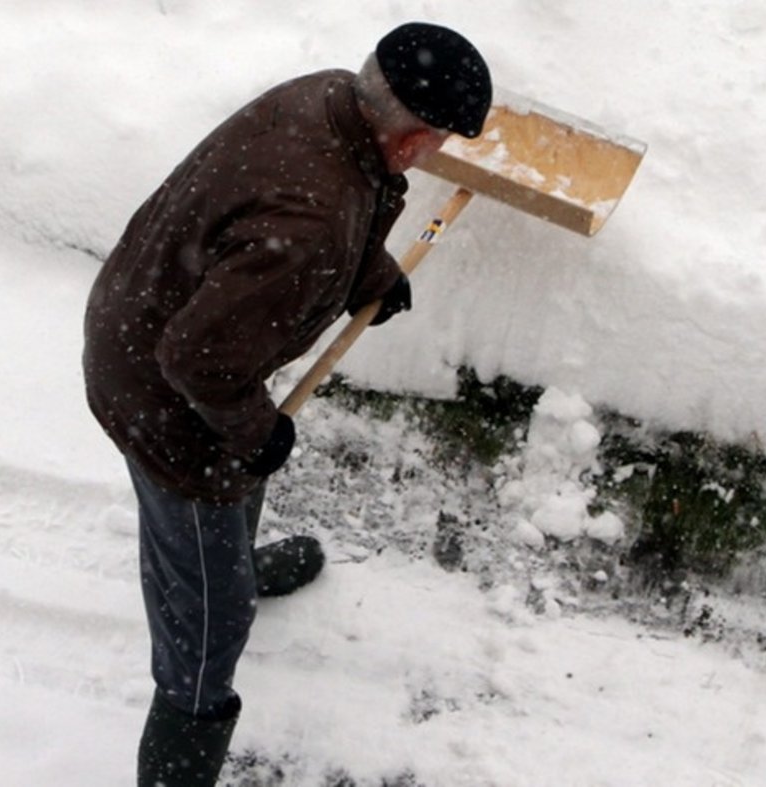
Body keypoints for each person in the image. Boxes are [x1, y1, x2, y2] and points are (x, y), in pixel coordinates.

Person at [82, 21, 491, 786]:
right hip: (162, 394)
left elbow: (331, 202)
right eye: (437, 143)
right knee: (209, 613)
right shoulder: (310, 225)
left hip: (155, 308)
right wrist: (252, 426)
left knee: (244, 465)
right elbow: (195, 360)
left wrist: (368, 273)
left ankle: (233, 561)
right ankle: (185, 731)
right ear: (412, 141)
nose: (431, 155)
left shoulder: (333, 99)